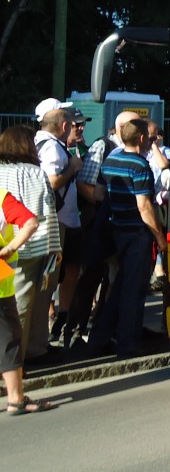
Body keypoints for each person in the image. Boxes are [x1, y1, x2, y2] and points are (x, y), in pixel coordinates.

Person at [88, 117, 168, 359]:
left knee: (121, 285)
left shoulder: (111, 159)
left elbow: (100, 193)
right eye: (150, 138)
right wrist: (160, 237)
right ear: (142, 138)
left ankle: (99, 338)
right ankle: (128, 344)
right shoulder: (139, 166)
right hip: (136, 233)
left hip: (116, 229)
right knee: (134, 291)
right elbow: (144, 207)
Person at [73, 110, 140, 347]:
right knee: (90, 275)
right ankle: (74, 330)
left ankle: (101, 329)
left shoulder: (132, 150)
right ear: (123, 126)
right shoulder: (104, 146)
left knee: (111, 278)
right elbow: (84, 183)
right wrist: (107, 206)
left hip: (117, 225)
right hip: (99, 224)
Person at [0, 124, 60, 364]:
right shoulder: (34, 172)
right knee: (22, 308)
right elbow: (46, 212)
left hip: (4, 246)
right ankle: (18, 363)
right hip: (27, 248)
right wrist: (54, 249)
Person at [0, 184, 54, 414]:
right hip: (0, 283)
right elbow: (31, 223)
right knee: (9, 336)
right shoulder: (2, 197)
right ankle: (16, 398)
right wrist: (10, 248)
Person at [35, 104, 84, 350]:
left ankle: (50, 331)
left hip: (59, 222)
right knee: (50, 280)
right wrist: (73, 167)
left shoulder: (43, 143)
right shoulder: (53, 148)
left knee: (53, 279)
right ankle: (42, 338)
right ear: (64, 126)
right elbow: (52, 182)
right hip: (58, 224)